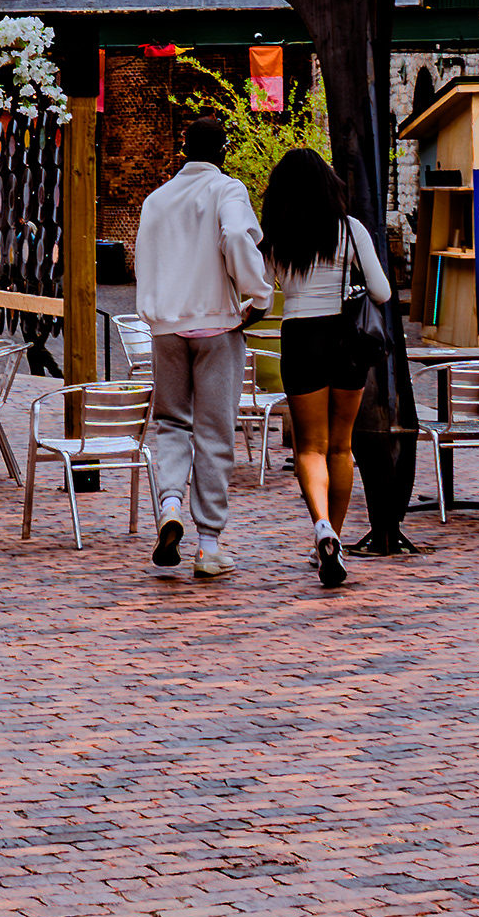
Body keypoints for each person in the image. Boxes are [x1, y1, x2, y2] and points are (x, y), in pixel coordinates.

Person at [130, 114, 272, 580]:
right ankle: (208, 544)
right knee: (214, 433)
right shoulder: (227, 190)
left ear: (182, 149)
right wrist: (258, 293)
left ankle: (169, 504)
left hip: (167, 326)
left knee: (171, 423)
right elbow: (234, 235)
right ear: (224, 150)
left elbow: (144, 259)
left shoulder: (156, 200)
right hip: (216, 325)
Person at [262, 147, 392, 589]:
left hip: (301, 338)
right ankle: (332, 537)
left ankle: (322, 529)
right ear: (329, 185)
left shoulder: (276, 234)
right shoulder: (352, 231)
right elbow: (382, 292)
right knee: (341, 447)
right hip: (346, 339)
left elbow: (261, 295)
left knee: (309, 448)